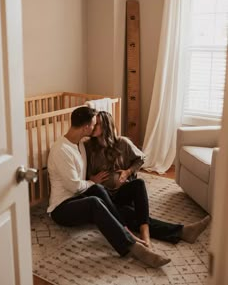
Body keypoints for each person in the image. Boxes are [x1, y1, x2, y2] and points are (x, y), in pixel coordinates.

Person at [47, 106, 171, 268]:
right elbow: (75, 187)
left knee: (109, 200)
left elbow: (84, 180)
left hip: (79, 197)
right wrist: (93, 181)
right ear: (86, 127)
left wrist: (100, 180)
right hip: (62, 207)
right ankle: (133, 246)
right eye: (94, 124)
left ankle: (133, 230)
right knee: (94, 201)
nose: (95, 127)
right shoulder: (61, 150)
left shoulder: (80, 145)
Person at [85, 111, 210, 249]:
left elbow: (140, 159)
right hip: (106, 197)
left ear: (106, 126)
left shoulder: (122, 143)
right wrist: (91, 179)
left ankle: (145, 234)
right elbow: (83, 172)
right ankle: (183, 232)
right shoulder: (88, 147)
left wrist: (127, 172)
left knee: (139, 184)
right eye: (93, 123)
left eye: (97, 124)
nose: (92, 126)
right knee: (130, 216)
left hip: (122, 193)